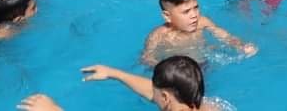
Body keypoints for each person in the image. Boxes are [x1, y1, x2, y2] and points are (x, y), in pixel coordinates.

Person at [141, 0, 257, 66]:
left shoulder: (203, 22)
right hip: (180, 72)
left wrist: (241, 46)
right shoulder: (159, 35)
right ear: (167, 16)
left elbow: (225, 36)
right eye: (186, 11)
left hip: (203, 63)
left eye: (196, 8)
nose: (194, 15)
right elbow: (147, 58)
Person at [82, 55, 224, 110]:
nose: (151, 93)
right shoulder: (207, 106)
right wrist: (113, 73)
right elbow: (151, 91)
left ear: (165, 98)